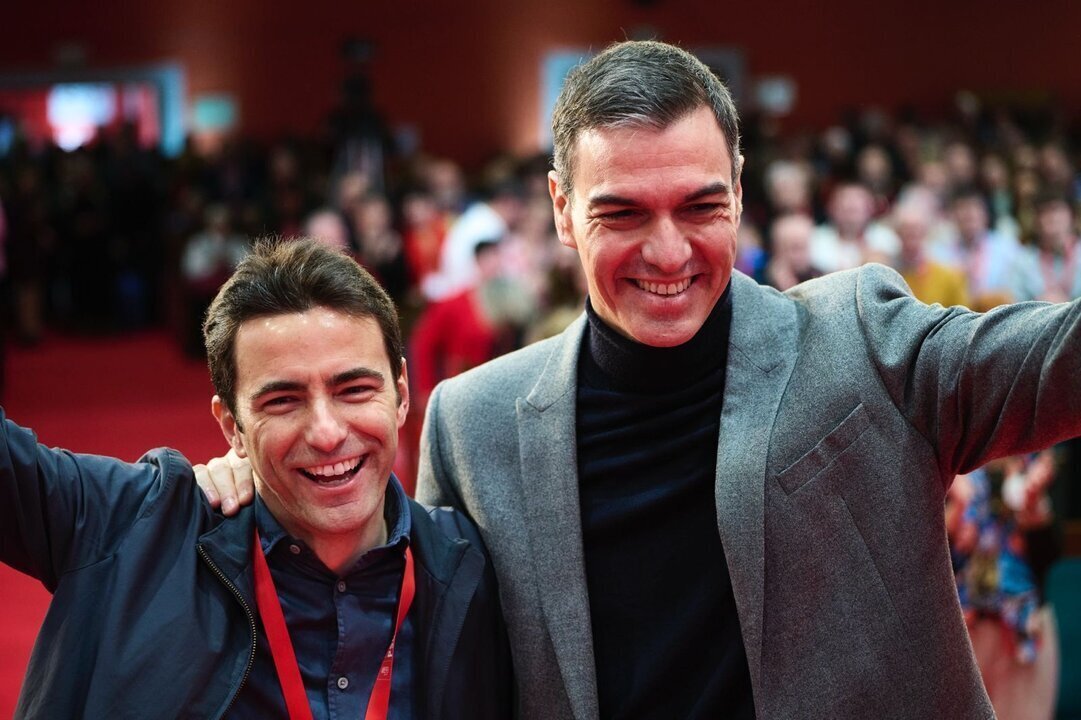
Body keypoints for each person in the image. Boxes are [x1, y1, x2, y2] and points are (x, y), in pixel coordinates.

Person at [200, 41, 1081, 719]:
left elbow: (1058, 360)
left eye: (700, 206)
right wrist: (255, 481)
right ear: (560, 208)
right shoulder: (475, 423)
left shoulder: (862, 337)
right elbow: (421, 655)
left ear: (739, 189)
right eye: (621, 213)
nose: (667, 252)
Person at [1, 238, 509, 719]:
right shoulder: (132, 528)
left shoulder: (475, 566)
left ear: (401, 395)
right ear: (232, 426)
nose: (327, 433)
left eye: (354, 389)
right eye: (282, 401)